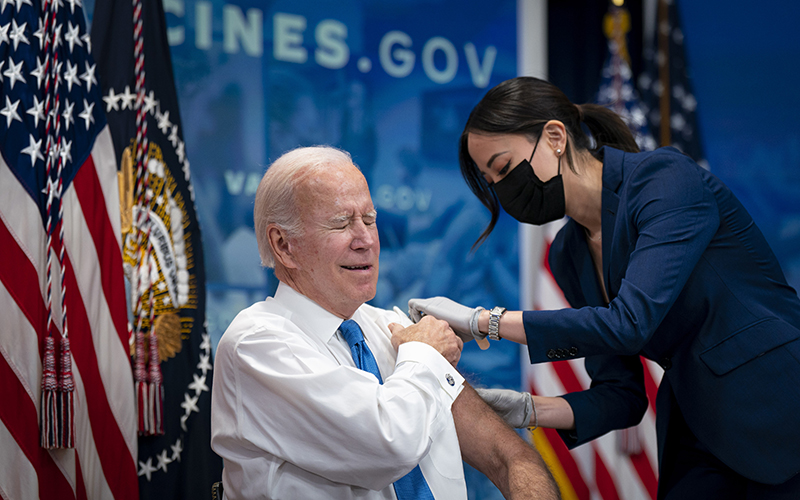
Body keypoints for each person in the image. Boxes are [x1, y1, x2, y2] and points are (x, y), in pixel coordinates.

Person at [408, 76, 800, 499]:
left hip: (776, 401)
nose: (504, 191)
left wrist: (485, 322)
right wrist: (525, 410)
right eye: (492, 182)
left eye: (504, 168)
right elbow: (622, 395)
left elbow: (630, 323)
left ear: (555, 136)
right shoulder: (568, 254)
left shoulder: (664, 180)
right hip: (698, 420)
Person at [210, 145, 560, 499]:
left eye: (370, 219)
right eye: (341, 223)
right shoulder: (255, 344)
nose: (366, 240)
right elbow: (390, 445)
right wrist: (424, 353)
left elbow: (509, 456)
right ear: (284, 245)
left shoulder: (391, 327)